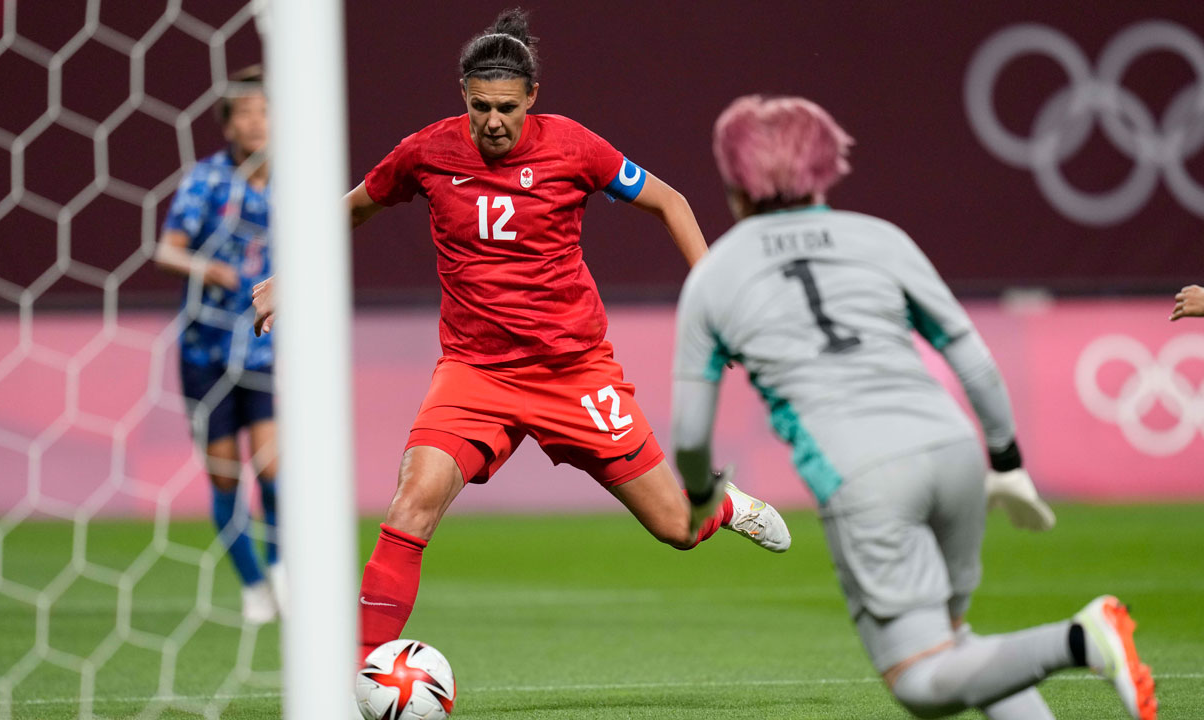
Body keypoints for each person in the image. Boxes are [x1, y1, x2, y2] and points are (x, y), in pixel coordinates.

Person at [252, 9, 791, 660]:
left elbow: (669, 201)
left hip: (575, 371)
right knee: (412, 502)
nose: (494, 122)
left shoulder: (574, 147)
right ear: (463, 95)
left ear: (532, 97)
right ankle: (361, 676)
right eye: (481, 107)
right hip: (474, 374)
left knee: (676, 527)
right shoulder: (426, 152)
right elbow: (356, 206)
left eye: (507, 107)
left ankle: (722, 506)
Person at [671, 95, 1155, 720]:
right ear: (827, 165)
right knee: (955, 645)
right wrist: (1005, 460)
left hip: (863, 475)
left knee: (921, 683)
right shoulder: (880, 238)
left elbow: (688, 433)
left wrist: (703, 494)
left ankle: (1082, 639)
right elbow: (970, 355)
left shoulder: (715, 275)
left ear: (734, 180)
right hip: (953, 450)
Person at [155, 66, 283, 624]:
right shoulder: (205, 181)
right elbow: (167, 250)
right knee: (227, 477)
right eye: (245, 113)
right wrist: (204, 266)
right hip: (206, 351)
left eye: (264, 110)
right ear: (228, 125)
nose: (256, 121)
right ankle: (253, 583)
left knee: (277, 469)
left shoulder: (294, 181)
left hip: (266, 351)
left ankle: (281, 572)